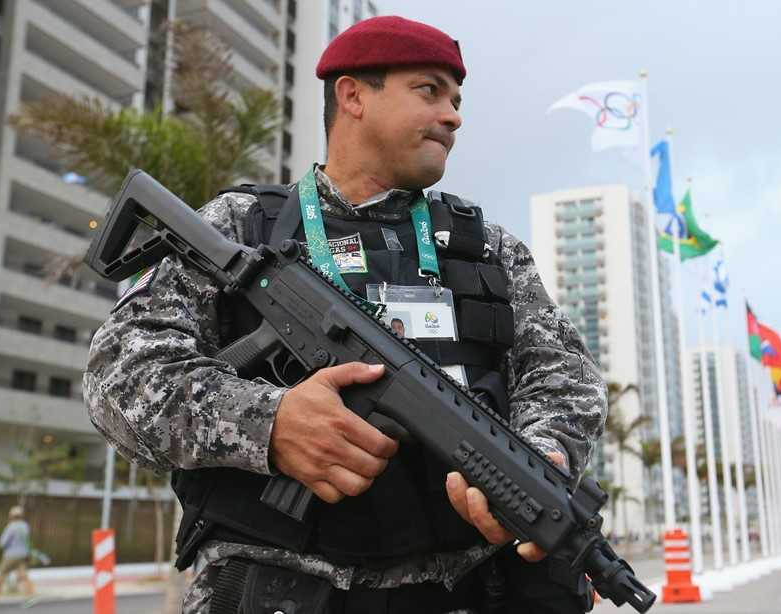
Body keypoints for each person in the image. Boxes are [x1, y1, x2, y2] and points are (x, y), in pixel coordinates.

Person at [84, 15, 606, 614]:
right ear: (353, 95)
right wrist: (270, 424)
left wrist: (544, 455)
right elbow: (118, 377)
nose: (454, 115)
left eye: (458, 100)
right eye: (429, 91)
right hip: (277, 588)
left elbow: (566, 380)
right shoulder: (240, 227)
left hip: (466, 589)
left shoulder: (489, 249)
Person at [0, 506, 37, 609]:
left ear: (11, 516)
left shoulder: (11, 527)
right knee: (23, 576)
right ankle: (31, 596)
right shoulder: (25, 526)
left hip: (10, 556)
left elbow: (2, 543)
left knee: (1, 576)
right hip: (22, 555)